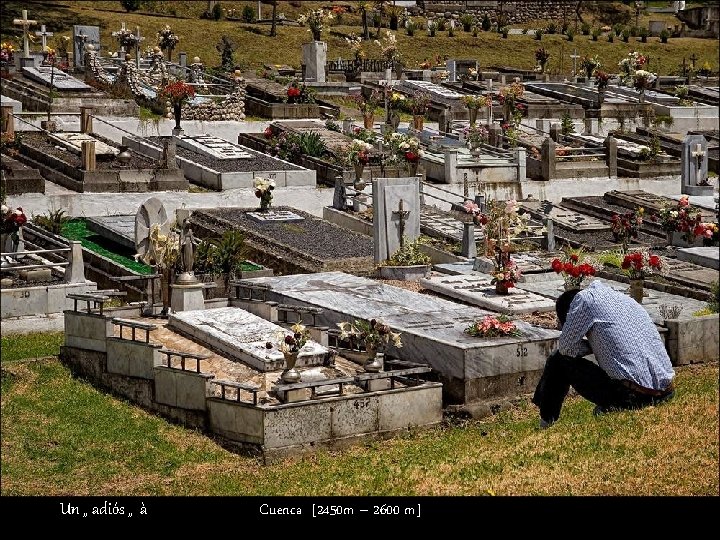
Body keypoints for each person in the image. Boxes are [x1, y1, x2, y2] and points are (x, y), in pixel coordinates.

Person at [532, 281, 675, 428]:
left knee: (559, 360)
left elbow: (566, 348)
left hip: (634, 396)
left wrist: (591, 346)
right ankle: (545, 405)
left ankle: (545, 422)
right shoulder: (624, 299)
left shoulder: (583, 301)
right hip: (666, 391)